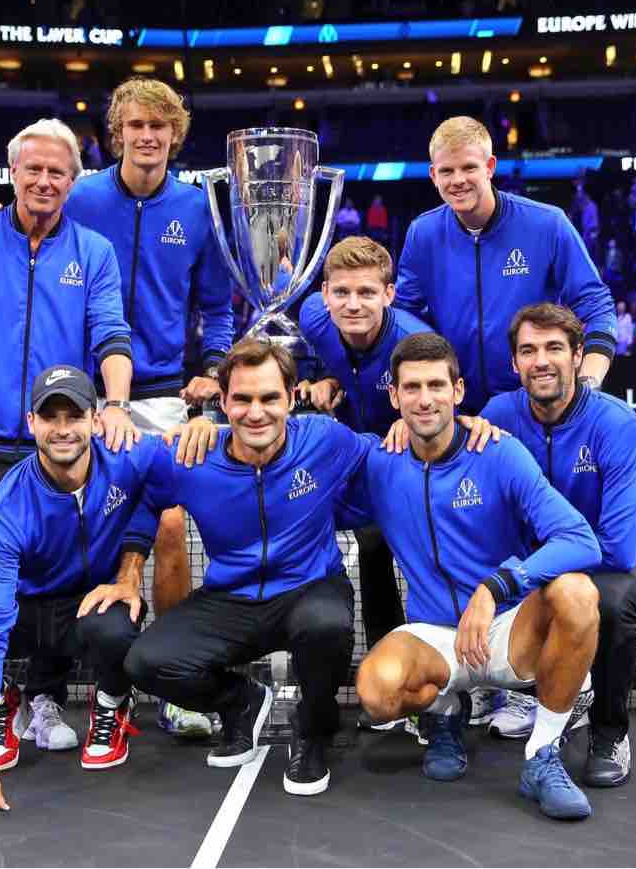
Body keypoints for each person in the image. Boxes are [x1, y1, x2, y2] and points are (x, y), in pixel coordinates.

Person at [0, 79, 235, 739]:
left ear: (175, 135)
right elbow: (26, 227)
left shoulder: (198, 209)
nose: (148, 136)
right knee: (67, 534)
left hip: (163, 394)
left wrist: (212, 370)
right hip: (81, 396)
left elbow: (217, 307)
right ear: (117, 133)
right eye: (136, 125)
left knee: (168, 530)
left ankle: (172, 683)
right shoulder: (83, 196)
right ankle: (60, 688)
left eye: (159, 126)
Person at [0, 117, 136, 773]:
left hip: (58, 441)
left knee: (58, 577)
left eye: (58, 171)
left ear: (73, 181)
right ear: (12, 172)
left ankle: (44, 699)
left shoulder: (93, 251)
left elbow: (111, 335)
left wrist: (116, 405)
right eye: (34, 169)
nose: (45, 180)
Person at [345, 332, 603, 820]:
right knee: (377, 692)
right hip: (433, 635)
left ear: (458, 391)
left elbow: (579, 539)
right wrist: (209, 428)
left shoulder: (499, 453)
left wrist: (494, 587)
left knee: (577, 593)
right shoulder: (380, 463)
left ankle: (542, 755)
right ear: (394, 396)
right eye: (412, 388)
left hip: (506, 628)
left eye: (437, 386)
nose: (425, 399)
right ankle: (446, 714)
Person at [0, 367, 160, 827]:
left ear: (96, 419)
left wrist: (131, 566)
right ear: (31, 423)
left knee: (118, 624)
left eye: (74, 416)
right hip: (26, 611)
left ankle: (111, 704)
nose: (62, 429)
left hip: (87, 609)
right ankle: (1, 701)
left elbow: (170, 479)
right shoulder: (6, 508)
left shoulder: (128, 458)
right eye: (49, 417)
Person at [123, 340, 375, 797]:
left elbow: (390, 453)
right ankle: (241, 702)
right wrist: (127, 575)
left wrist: (454, 427)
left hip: (309, 587)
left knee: (327, 627)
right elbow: (144, 500)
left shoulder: (325, 439)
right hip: (231, 598)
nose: (256, 412)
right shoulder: (191, 456)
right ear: (222, 402)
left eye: (269, 398)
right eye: (242, 399)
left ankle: (312, 730)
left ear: (291, 397)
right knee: (145, 661)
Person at [480, 304, 636, 788]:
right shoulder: (498, 415)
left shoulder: (615, 423)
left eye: (554, 348)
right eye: (528, 350)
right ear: (514, 363)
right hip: (550, 562)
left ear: (577, 356)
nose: (541, 361)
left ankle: (609, 731)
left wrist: (528, 575)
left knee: (608, 602)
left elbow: (619, 549)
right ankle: (543, 688)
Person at [393, 116, 615, 415]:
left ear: (490, 167)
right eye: (447, 170)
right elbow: (403, 319)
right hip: (455, 413)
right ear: (434, 175)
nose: (458, 180)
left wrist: (588, 383)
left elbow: (596, 305)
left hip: (534, 409)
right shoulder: (423, 233)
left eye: (469, 167)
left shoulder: (547, 224)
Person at [295, 236, 430, 730]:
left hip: (417, 464)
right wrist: (322, 377)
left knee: (423, 566)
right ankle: (383, 681)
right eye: (343, 292)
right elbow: (320, 355)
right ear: (326, 295)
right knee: (369, 552)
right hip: (359, 459)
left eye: (367, 293)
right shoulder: (314, 317)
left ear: (389, 294)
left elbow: (447, 401)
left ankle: (438, 686)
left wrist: (413, 423)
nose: (353, 304)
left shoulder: (414, 345)